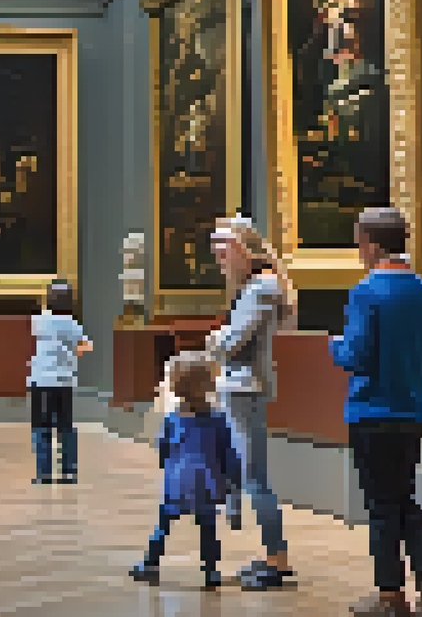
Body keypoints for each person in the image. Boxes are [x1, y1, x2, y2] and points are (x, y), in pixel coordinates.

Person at [330, 207, 422, 617]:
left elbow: (354, 355)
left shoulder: (366, 292)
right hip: (411, 410)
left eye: (359, 243)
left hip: (371, 411)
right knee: (401, 496)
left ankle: (390, 594)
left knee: (381, 504)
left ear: (370, 244)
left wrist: (334, 344)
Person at [206, 213, 297, 590]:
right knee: (248, 473)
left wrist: (215, 339)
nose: (217, 254)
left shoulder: (260, 288)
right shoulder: (262, 286)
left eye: (223, 246)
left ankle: (277, 560)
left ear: (242, 248)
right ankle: (272, 554)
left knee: (254, 477)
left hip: (245, 388)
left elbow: (230, 343)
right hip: (243, 386)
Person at [129, 358, 241, 590]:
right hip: (209, 482)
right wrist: (233, 483)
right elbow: (230, 454)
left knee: (163, 526)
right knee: (208, 529)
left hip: (177, 482)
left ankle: (149, 565)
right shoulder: (219, 420)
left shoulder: (172, 418)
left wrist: (166, 467)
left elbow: (163, 448)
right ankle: (211, 571)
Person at [27, 280, 92, 484]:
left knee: (41, 427)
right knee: (65, 427)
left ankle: (43, 473)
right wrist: (74, 351)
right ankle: (69, 472)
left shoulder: (40, 320)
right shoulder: (73, 324)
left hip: (41, 381)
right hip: (64, 382)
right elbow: (86, 346)